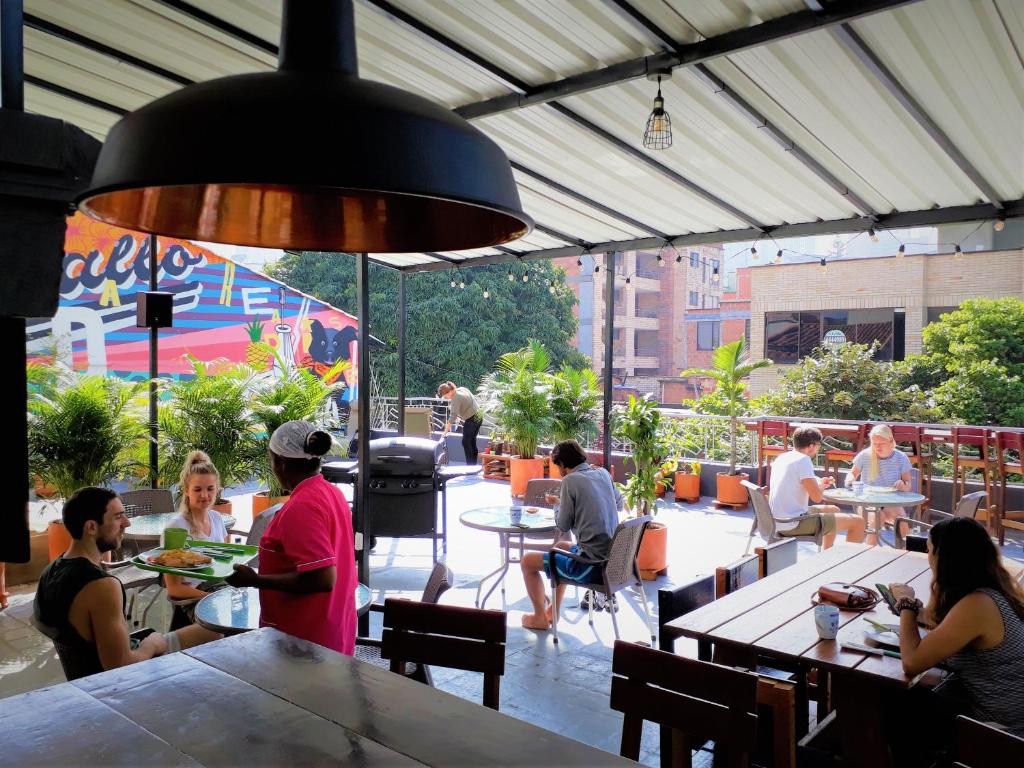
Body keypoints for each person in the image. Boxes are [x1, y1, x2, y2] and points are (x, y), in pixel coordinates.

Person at [34, 487, 218, 680]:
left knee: (212, 631)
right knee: (217, 633)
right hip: (122, 684)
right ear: (91, 527)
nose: (127, 523)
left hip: (87, 678)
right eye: (118, 517)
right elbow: (121, 666)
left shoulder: (51, 570)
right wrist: (152, 644)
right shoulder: (101, 586)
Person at [887, 517, 1024, 749]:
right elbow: (942, 623)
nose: (928, 558)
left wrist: (906, 605)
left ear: (945, 558)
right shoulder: (994, 593)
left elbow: (911, 662)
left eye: (930, 550)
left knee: (892, 700)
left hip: (1003, 734)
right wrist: (915, 613)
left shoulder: (978, 605)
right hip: (1005, 715)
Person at [227, 421, 357, 655]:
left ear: (282, 463)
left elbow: (323, 578)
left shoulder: (302, 507)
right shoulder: (332, 493)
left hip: (305, 641)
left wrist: (255, 580)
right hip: (333, 629)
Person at [519, 440, 622, 630]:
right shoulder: (603, 473)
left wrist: (557, 504)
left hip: (592, 567)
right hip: (615, 562)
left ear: (563, 464)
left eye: (557, 466)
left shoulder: (570, 480)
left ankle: (539, 617)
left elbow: (563, 525)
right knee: (559, 548)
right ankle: (553, 612)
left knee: (527, 562)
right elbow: (619, 504)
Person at [768, 426, 866, 548]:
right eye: (819, 445)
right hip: (792, 524)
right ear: (811, 446)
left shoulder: (784, 457)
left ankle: (826, 553)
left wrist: (819, 483)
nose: (819, 448)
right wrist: (821, 487)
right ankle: (846, 563)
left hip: (775, 520)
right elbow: (817, 497)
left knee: (833, 510)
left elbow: (799, 480)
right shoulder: (804, 460)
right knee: (858, 522)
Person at [163, 451, 229, 626]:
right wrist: (211, 597)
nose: (204, 495)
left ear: (217, 489)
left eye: (210, 489)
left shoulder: (216, 519)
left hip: (220, 587)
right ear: (186, 491)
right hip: (194, 595)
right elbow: (174, 588)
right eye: (197, 489)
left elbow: (227, 564)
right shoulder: (176, 527)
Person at [849, 424, 914, 528]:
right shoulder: (865, 455)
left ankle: (902, 544)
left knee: (902, 521)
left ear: (890, 441)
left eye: (881, 443)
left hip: (890, 500)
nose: (878, 447)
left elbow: (908, 485)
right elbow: (852, 473)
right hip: (867, 500)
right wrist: (850, 480)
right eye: (875, 443)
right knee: (877, 518)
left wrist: (903, 485)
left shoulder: (901, 457)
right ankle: (872, 544)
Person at [437, 381, 482, 465]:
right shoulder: (461, 389)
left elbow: (452, 417)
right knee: (471, 442)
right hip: (479, 416)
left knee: (466, 442)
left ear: (449, 392)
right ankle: (473, 465)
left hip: (472, 419)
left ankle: (470, 467)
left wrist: (444, 433)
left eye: (445, 396)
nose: (446, 398)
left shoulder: (455, 398)